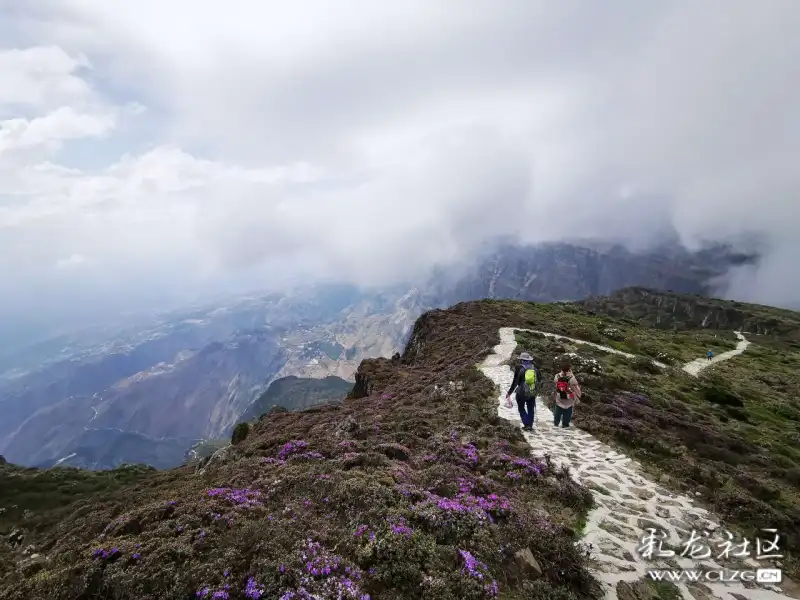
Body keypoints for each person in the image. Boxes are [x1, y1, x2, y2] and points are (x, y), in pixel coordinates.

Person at [505, 352, 540, 431]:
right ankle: (530, 425)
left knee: (521, 408)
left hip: (521, 393)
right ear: (529, 360)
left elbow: (515, 382)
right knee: (530, 408)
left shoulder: (519, 368)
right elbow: (539, 381)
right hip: (532, 392)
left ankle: (526, 424)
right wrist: (536, 392)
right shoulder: (535, 369)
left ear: (521, 360)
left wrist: (509, 392)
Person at [553, 360, 581, 428]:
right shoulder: (572, 378)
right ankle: (565, 425)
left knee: (557, 411)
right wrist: (579, 396)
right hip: (569, 399)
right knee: (568, 413)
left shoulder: (557, 376)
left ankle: (556, 423)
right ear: (569, 369)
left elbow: (556, 385)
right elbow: (577, 390)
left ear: (561, 369)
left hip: (559, 397)